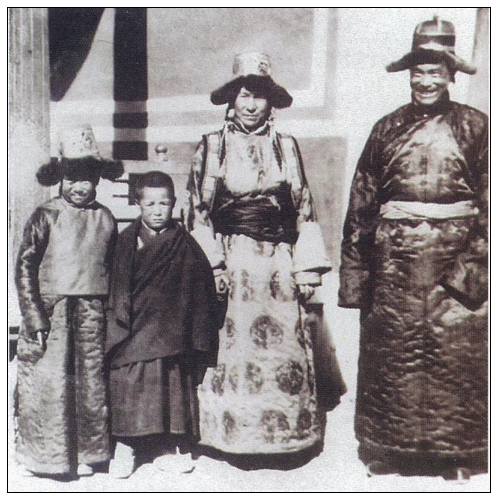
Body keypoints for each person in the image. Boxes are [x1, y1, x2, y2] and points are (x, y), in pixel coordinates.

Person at [338, 17, 488, 480]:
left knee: (455, 361)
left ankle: (457, 454)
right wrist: (356, 275)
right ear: (409, 74)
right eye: (419, 71)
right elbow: (362, 201)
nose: (426, 81)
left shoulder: (476, 126)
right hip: (394, 267)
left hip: (453, 262)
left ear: (451, 75)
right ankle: (388, 449)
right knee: (391, 360)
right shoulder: (386, 129)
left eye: (436, 72)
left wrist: (472, 270)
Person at [185, 52, 341, 457]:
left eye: (259, 97)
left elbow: (304, 205)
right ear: (231, 100)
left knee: (284, 339)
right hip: (233, 259)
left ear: (271, 102)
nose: (251, 105)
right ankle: (232, 436)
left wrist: (306, 270)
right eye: (244, 96)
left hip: (277, 261)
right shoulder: (211, 147)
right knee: (231, 343)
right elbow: (198, 211)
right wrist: (212, 265)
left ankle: (285, 437)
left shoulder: (286, 147)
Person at [14, 125, 123, 477]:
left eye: (88, 178)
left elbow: (113, 267)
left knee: (89, 382)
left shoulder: (105, 218)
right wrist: (34, 317)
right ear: (60, 178)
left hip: (92, 311)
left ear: (98, 180)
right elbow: (25, 266)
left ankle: (87, 453)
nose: (80, 187)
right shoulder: (46, 214)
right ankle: (43, 456)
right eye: (72, 178)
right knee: (51, 383)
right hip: (53, 311)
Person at [105, 171, 219, 478]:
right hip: (132, 327)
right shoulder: (126, 240)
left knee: (170, 377)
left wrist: (191, 330)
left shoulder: (184, 243)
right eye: (150, 203)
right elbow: (115, 286)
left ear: (174, 205)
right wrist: (121, 324)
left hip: (171, 329)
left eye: (164, 203)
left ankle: (169, 446)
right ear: (138, 204)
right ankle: (125, 445)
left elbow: (201, 289)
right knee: (127, 373)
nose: (157, 210)